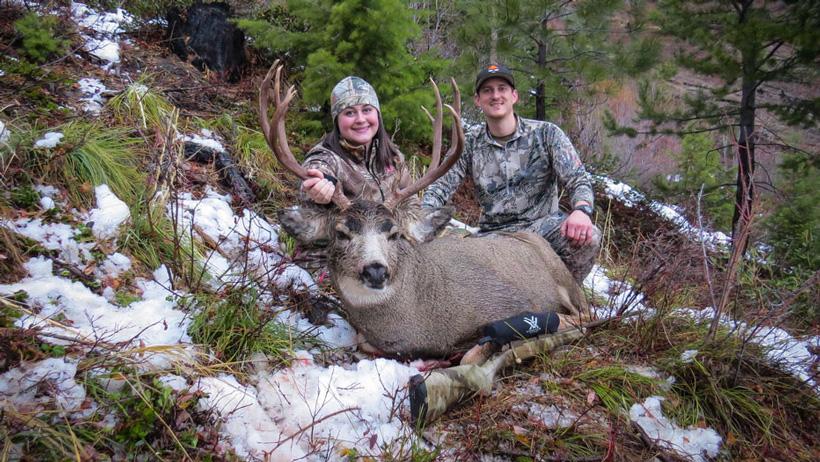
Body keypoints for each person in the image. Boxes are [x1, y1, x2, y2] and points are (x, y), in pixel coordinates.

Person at [422, 64, 600, 283]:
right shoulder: (468, 143)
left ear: (514, 96)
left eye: (502, 88)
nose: (495, 95)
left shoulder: (546, 134)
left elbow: (577, 179)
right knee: (453, 265)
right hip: (494, 236)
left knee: (588, 238)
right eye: (487, 90)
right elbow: (440, 186)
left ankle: (565, 297)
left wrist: (582, 210)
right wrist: (423, 215)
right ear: (478, 100)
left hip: (542, 229)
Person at [300, 76, 410, 205]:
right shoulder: (326, 158)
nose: (361, 120)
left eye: (367, 110)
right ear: (337, 120)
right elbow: (316, 171)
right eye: (349, 113)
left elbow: (411, 200)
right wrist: (322, 185)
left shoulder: (393, 156)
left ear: (377, 114)